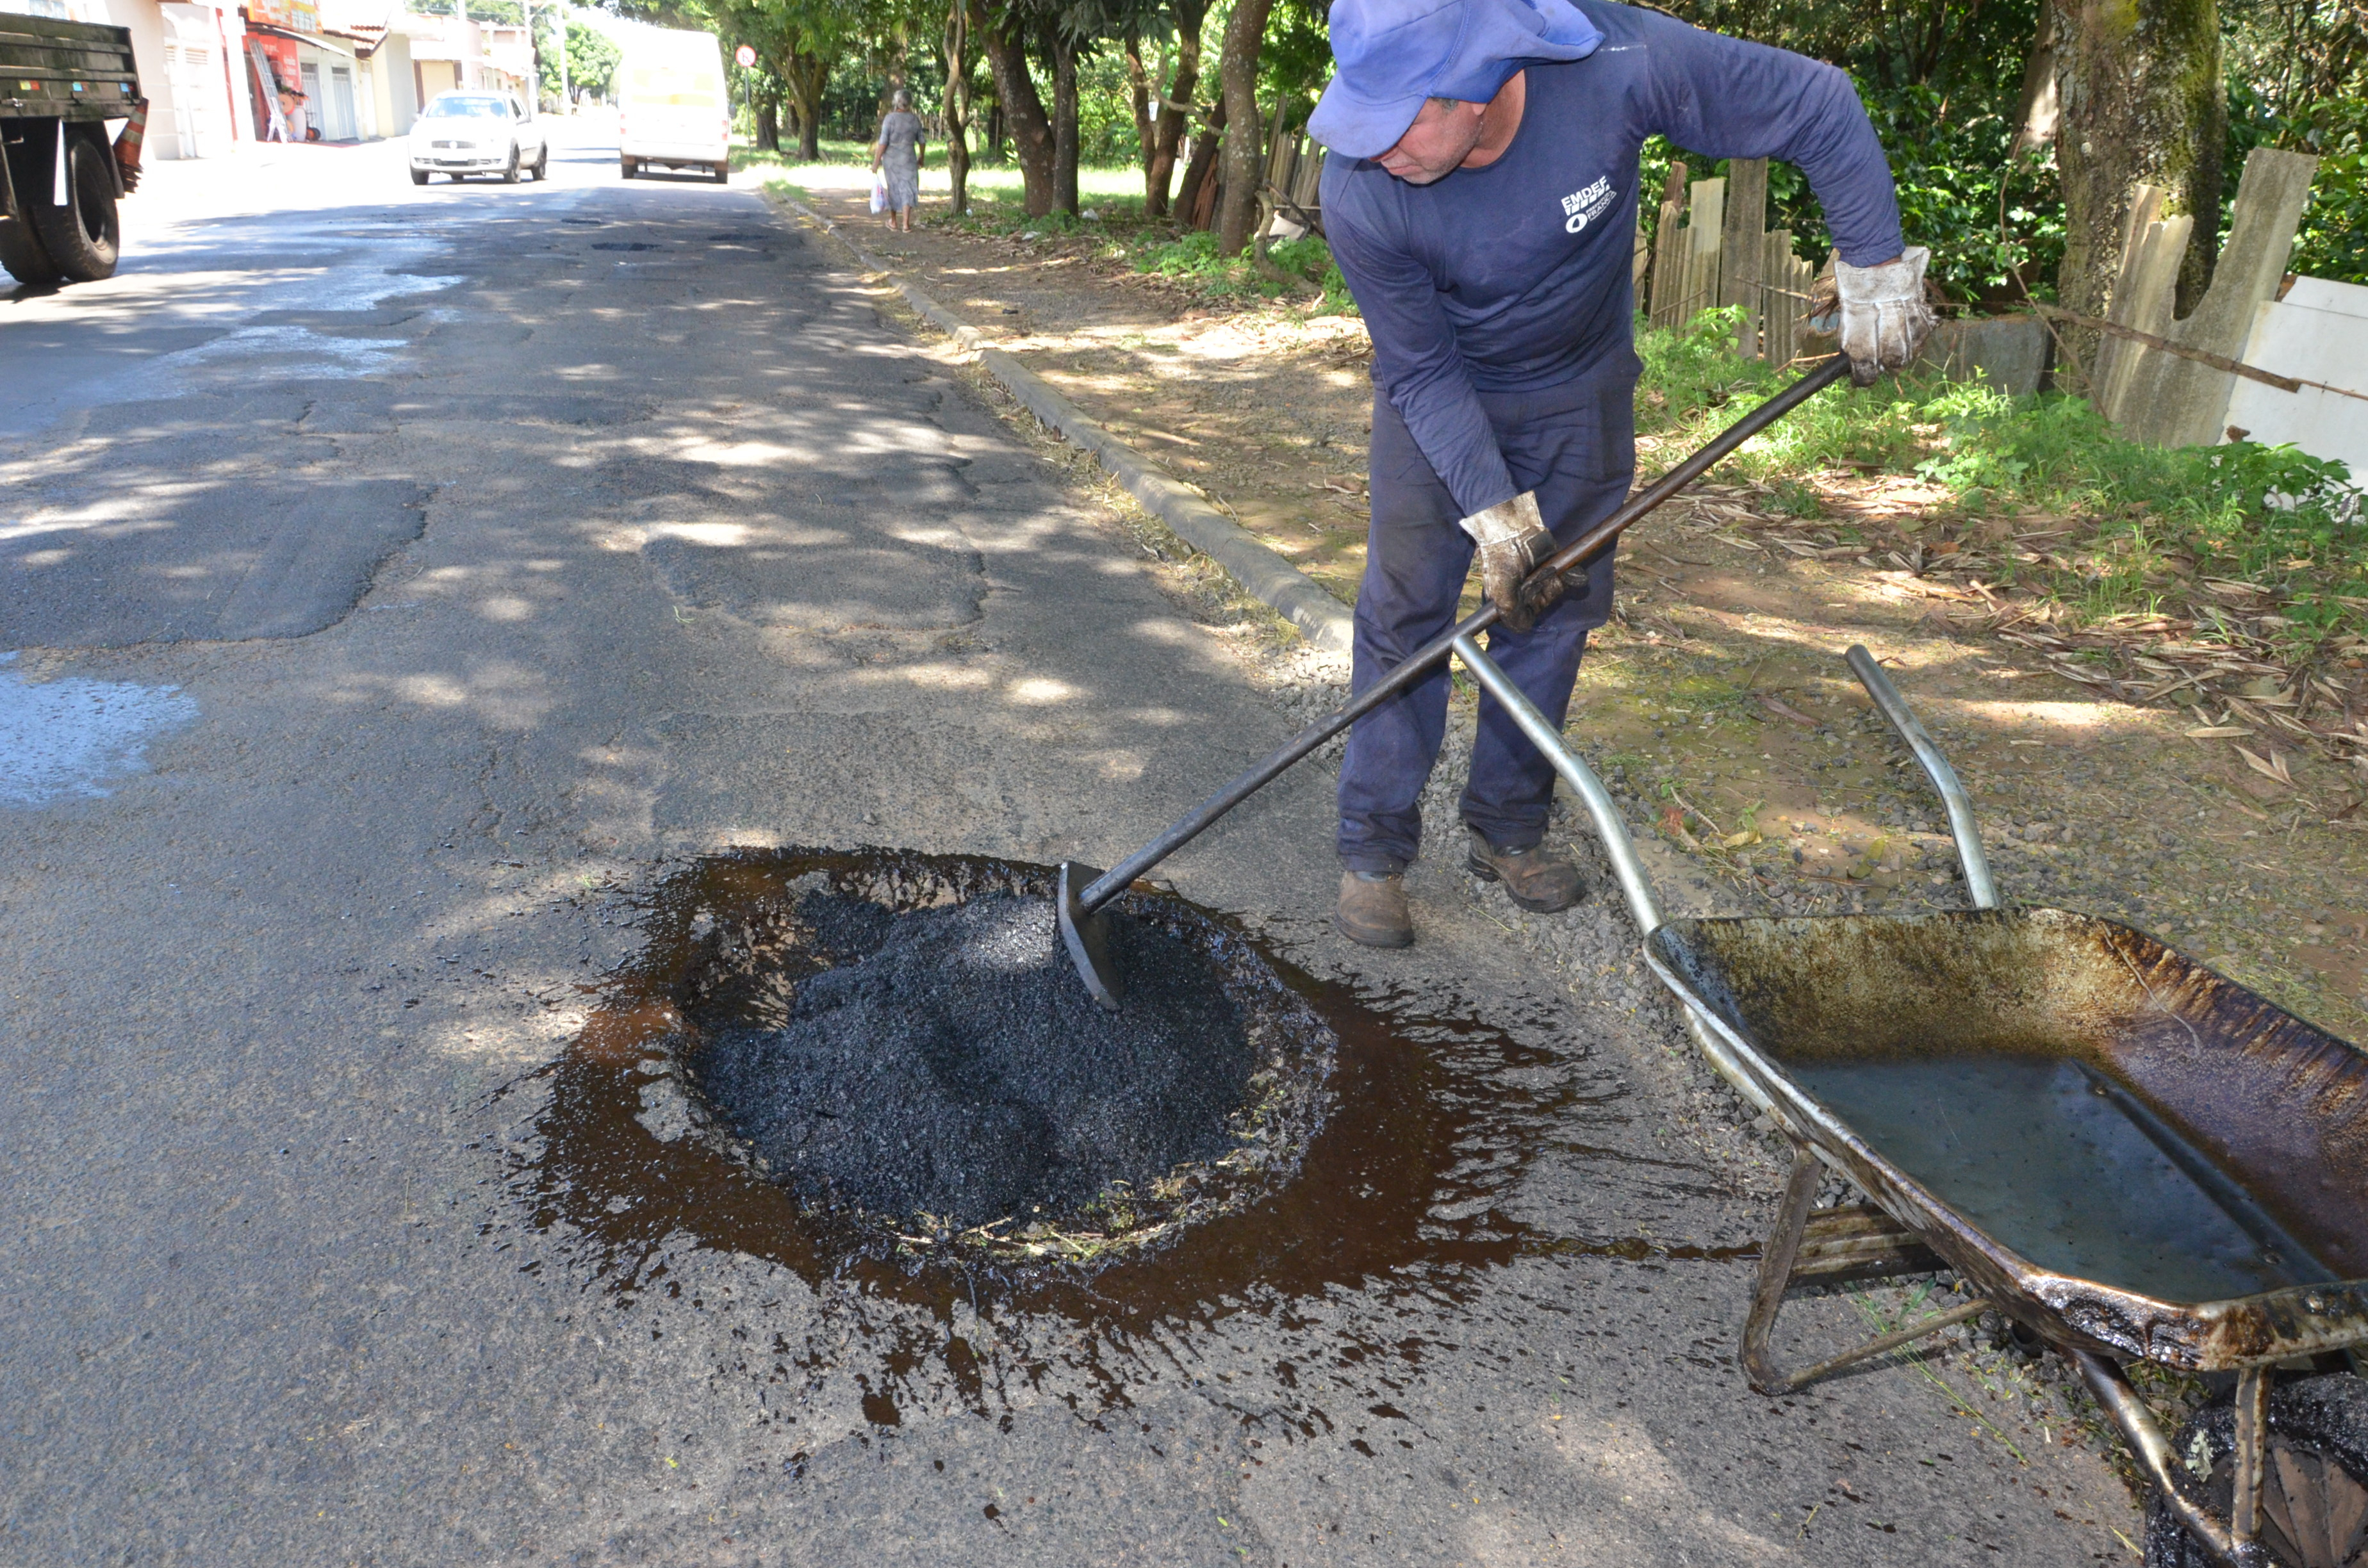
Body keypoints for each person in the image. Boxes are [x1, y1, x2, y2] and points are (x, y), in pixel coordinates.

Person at [1308, 0, 1934, 949]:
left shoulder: (1616, 60)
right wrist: (1493, 511)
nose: (1376, 148)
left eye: (1397, 122)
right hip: (1439, 404)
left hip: (1579, 393)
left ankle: (1507, 828)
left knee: (1551, 608)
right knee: (1405, 614)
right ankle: (1373, 847)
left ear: (1476, 87)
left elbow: (1817, 102)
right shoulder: (1361, 190)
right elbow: (1423, 369)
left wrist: (1875, 265)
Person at [871, 88, 926, 234]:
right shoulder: (914, 119)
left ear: (896, 103)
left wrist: (876, 162)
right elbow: (922, 140)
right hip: (909, 157)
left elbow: (883, 142)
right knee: (908, 188)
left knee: (894, 188)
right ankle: (906, 224)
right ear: (909, 103)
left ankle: (894, 222)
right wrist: (922, 156)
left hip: (892, 160)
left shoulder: (890, 119)